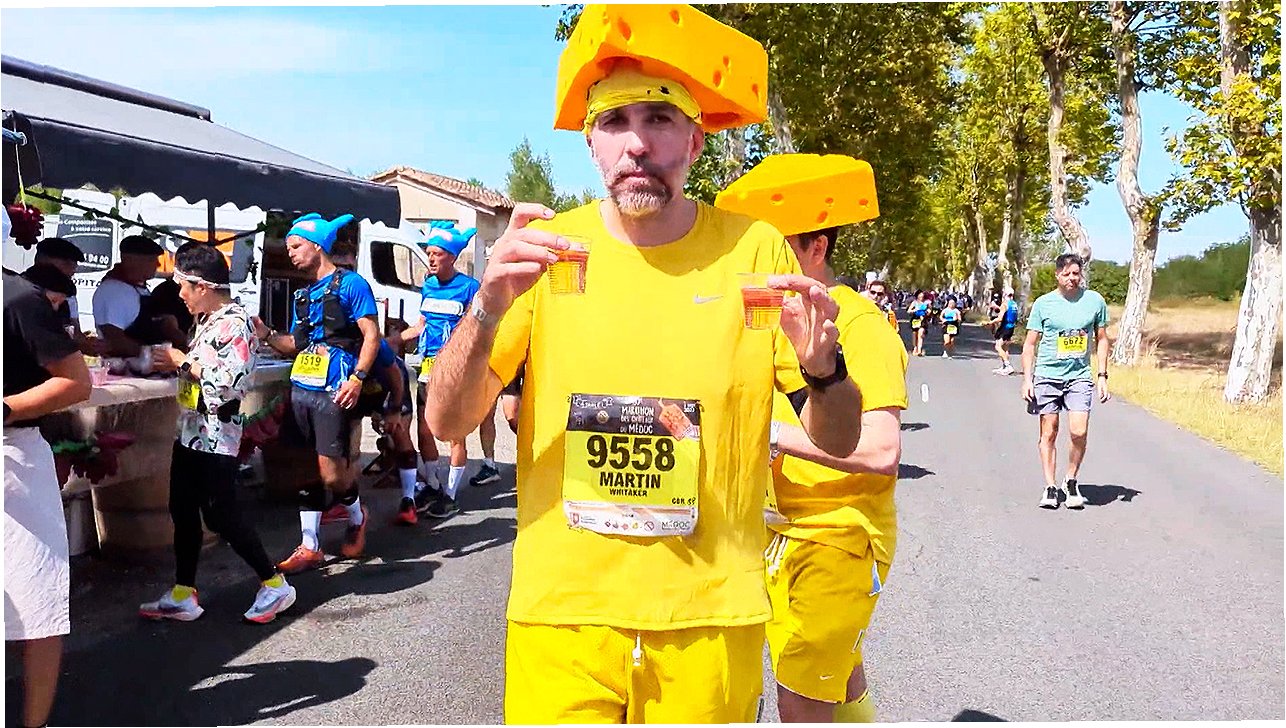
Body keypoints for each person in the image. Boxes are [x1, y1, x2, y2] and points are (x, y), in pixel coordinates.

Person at [425, 8, 863, 722]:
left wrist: (824, 370)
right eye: (614, 121)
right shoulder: (548, 252)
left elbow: (839, 440)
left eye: (659, 119)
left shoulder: (754, 250)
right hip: (563, 615)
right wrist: (487, 307)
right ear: (591, 143)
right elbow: (446, 421)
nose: (637, 142)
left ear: (695, 140)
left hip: (708, 615)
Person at [716, 155, 908, 723]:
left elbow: (882, 450)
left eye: (773, 248)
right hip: (776, 534)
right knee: (836, 679)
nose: (756, 262)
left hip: (839, 538)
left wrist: (773, 437)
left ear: (816, 248)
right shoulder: (767, 324)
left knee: (800, 699)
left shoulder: (860, 326)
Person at [137, 242, 296, 623]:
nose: (180, 295)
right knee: (182, 509)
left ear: (202, 286)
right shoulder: (209, 320)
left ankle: (274, 584)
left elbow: (229, 382)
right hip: (192, 430)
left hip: (217, 435)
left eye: (182, 286)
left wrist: (182, 362)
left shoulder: (235, 323)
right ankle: (183, 592)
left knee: (222, 514)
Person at [253, 213, 381, 573]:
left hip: (334, 390)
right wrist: (266, 334)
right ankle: (310, 546)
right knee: (302, 469)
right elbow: (295, 344)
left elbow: (372, 336)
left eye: (296, 246)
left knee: (331, 475)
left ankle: (357, 515)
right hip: (302, 389)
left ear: (317, 245)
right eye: (289, 248)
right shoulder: (304, 295)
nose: (290, 253)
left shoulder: (352, 284)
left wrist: (357, 378)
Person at [4, 269, 93, 728]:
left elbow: (77, 381)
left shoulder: (17, 297)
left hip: (13, 459)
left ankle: (32, 724)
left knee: (34, 597)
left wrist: (5, 408)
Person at [393, 221, 481, 520]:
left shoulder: (469, 288)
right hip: (428, 366)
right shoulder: (429, 286)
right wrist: (392, 340)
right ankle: (432, 484)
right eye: (428, 253)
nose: (430, 259)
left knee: (455, 434)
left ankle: (451, 495)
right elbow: (421, 325)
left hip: (455, 369)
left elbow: (477, 331)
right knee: (425, 429)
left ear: (452, 257)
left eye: (437, 254)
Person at [1021, 254, 1110, 510]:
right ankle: (1050, 486)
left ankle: (1070, 479)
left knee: (1079, 432)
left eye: (1076, 274)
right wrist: (1027, 379)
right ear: (1057, 275)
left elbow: (1102, 339)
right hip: (1047, 376)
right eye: (1067, 274)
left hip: (1079, 377)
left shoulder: (1094, 301)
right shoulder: (1043, 304)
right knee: (1049, 432)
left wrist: (1102, 376)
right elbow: (1030, 344)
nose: (1072, 278)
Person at [92, 235, 187, 360]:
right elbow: (114, 340)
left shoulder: (137, 288)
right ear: (132, 260)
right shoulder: (115, 291)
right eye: (152, 260)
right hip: (126, 367)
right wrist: (152, 353)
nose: (158, 264)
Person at [26, 237, 103, 356]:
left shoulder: (68, 295)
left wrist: (91, 346)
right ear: (45, 260)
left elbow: (74, 332)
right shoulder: (19, 291)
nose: (73, 271)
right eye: (67, 264)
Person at [988, 290, 1020, 375]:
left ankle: (1008, 365)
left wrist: (990, 322)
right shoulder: (1014, 304)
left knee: (998, 346)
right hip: (1011, 327)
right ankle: (1004, 367)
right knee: (1005, 347)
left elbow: (1000, 318)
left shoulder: (1005, 304)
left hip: (1005, 327)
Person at [906, 290, 930, 357]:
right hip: (915, 320)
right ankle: (915, 347)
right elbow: (908, 311)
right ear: (917, 296)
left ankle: (919, 350)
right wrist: (914, 310)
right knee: (915, 334)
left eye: (922, 296)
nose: (921, 297)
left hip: (923, 320)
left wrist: (927, 312)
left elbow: (930, 310)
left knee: (921, 333)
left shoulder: (926, 303)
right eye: (920, 296)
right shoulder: (914, 302)